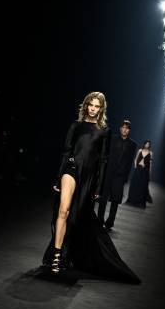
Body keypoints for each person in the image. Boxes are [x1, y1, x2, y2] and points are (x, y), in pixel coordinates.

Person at [41, 91, 140, 283]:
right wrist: (58, 176)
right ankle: (57, 256)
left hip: (89, 176)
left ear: (101, 109)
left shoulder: (104, 131)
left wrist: (99, 187)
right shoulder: (76, 125)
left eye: (97, 106)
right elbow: (66, 151)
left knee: (76, 217)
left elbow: (102, 160)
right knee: (63, 211)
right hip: (71, 169)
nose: (93, 109)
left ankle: (68, 253)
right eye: (91, 105)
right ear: (86, 105)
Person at [98, 119, 137, 229]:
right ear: (120, 128)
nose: (125, 130)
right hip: (109, 173)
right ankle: (99, 219)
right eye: (123, 127)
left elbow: (129, 162)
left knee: (115, 199)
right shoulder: (113, 138)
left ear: (129, 131)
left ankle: (110, 222)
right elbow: (105, 152)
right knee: (103, 198)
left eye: (127, 128)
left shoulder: (133, 145)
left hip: (120, 176)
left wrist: (125, 178)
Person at [124, 140, 153, 208]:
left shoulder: (150, 153)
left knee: (142, 185)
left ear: (149, 145)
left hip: (145, 170)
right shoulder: (140, 150)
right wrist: (136, 166)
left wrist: (149, 173)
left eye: (148, 144)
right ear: (144, 144)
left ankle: (139, 201)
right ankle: (132, 199)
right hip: (138, 169)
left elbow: (150, 164)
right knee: (135, 184)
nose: (147, 145)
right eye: (146, 144)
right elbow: (135, 159)